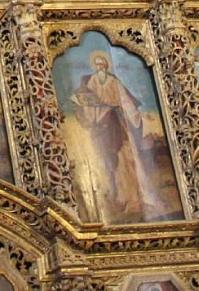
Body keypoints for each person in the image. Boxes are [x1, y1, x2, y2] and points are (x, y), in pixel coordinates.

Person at [69, 51, 170, 222]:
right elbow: (86, 104)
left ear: (106, 66)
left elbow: (126, 102)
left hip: (117, 124)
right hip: (102, 126)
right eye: (97, 65)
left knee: (127, 159)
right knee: (108, 161)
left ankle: (135, 197)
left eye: (102, 65)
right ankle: (120, 197)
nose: (100, 68)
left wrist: (137, 116)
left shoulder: (113, 81)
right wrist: (92, 114)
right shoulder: (91, 81)